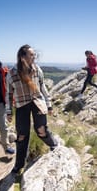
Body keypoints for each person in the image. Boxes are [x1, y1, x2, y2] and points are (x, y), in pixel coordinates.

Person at [5, 44, 58, 174]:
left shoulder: (37, 70)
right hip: (21, 105)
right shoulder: (11, 74)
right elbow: (8, 94)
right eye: (31, 55)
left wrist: (49, 104)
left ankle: (55, 146)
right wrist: (9, 111)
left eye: (34, 54)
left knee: (41, 130)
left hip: (37, 102)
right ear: (22, 57)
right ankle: (19, 165)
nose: (34, 57)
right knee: (22, 136)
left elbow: (43, 87)